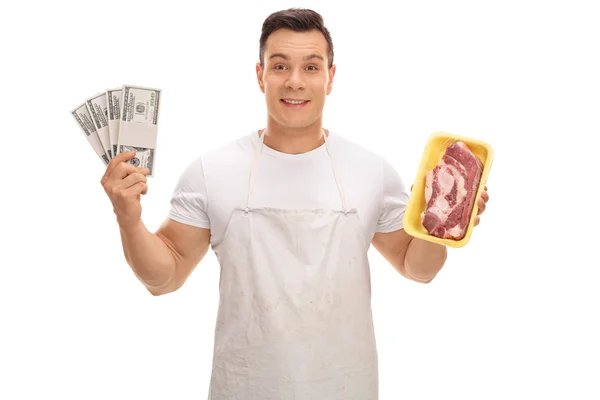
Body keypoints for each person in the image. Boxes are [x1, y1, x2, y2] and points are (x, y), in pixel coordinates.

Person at [100, 7, 490, 399]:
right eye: (280, 66)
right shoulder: (212, 170)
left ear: (330, 77)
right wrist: (129, 220)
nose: (295, 82)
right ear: (260, 75)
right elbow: (164, 277)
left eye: (311, 67)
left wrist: (443, 219)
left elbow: (417, 268)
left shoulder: (370, 170)